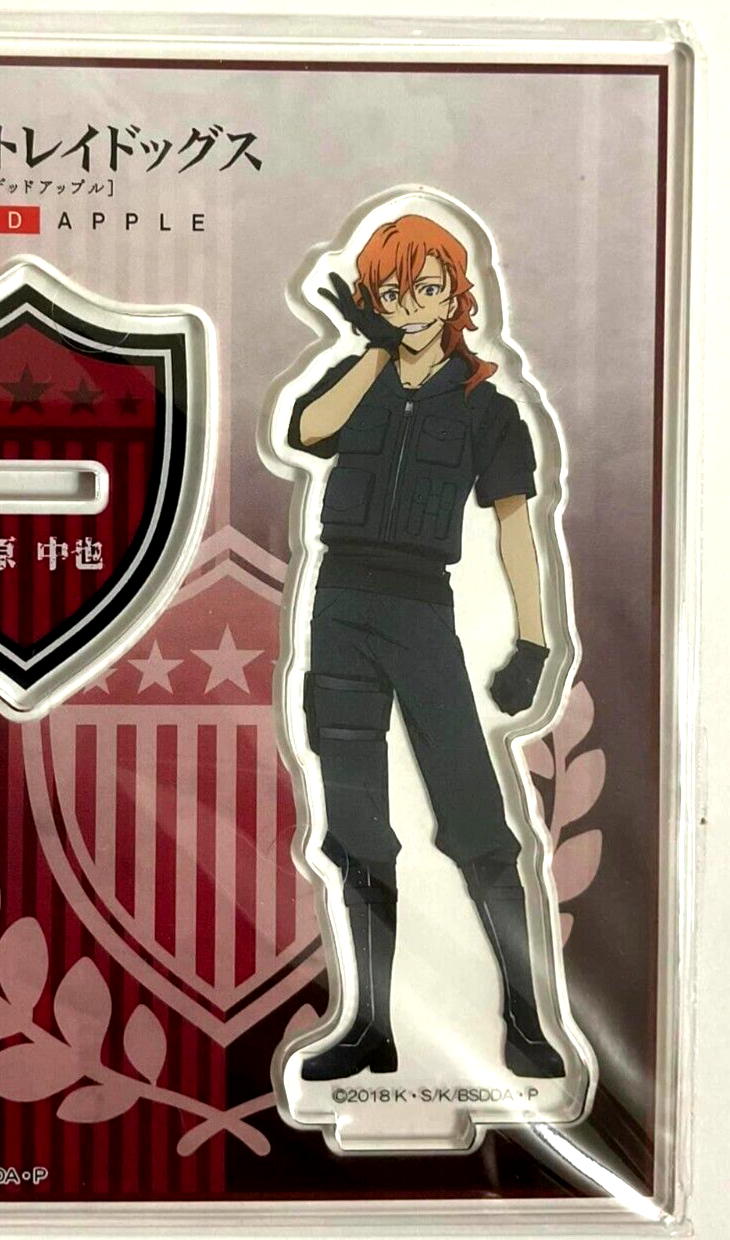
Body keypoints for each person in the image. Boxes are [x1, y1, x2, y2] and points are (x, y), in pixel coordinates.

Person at [288, 214, 564, 1081]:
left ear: (455, 297)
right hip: (339, 610)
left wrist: (534, 641)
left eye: (428, 289)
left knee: (476, 817)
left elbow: (517, 527)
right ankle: (371, 1026)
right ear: (375, 300)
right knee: (356, 821)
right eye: (393, 292)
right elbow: (308, 430)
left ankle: (528, 1023)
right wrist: (369, 351)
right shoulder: (358, 379)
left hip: (420, 613)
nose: (412, 307)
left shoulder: (487, 408)